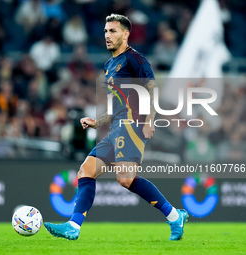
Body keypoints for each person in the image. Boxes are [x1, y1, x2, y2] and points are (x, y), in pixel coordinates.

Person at [44, 14, 189, 241]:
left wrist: (150, 119)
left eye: (112, 31)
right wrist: (98, 121)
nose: (107, 36)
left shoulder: (135, 59)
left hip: (132, 125)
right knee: (86, 171)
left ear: (125, 34)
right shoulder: (109, 64)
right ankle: (73, 226)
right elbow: (116, 103)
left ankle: (173, 216)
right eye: (105, 31)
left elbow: (151, 88)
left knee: (125, 178)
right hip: (116, 127)